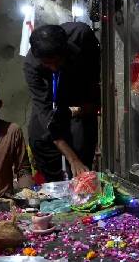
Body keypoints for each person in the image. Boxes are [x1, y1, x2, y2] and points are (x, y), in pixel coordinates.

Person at [24, 23, 100, 181]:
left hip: (79, 90)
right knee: (40, 136)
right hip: (50, 100)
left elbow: (95, 73)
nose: (53, 68)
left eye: (56, 62)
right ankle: (55, 191)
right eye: (47, 64)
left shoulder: (82, 35)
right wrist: (72, 159)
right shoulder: (31, 66)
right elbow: (46, 114)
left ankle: (82, 189)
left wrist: (89, 106)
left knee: (81, 143)